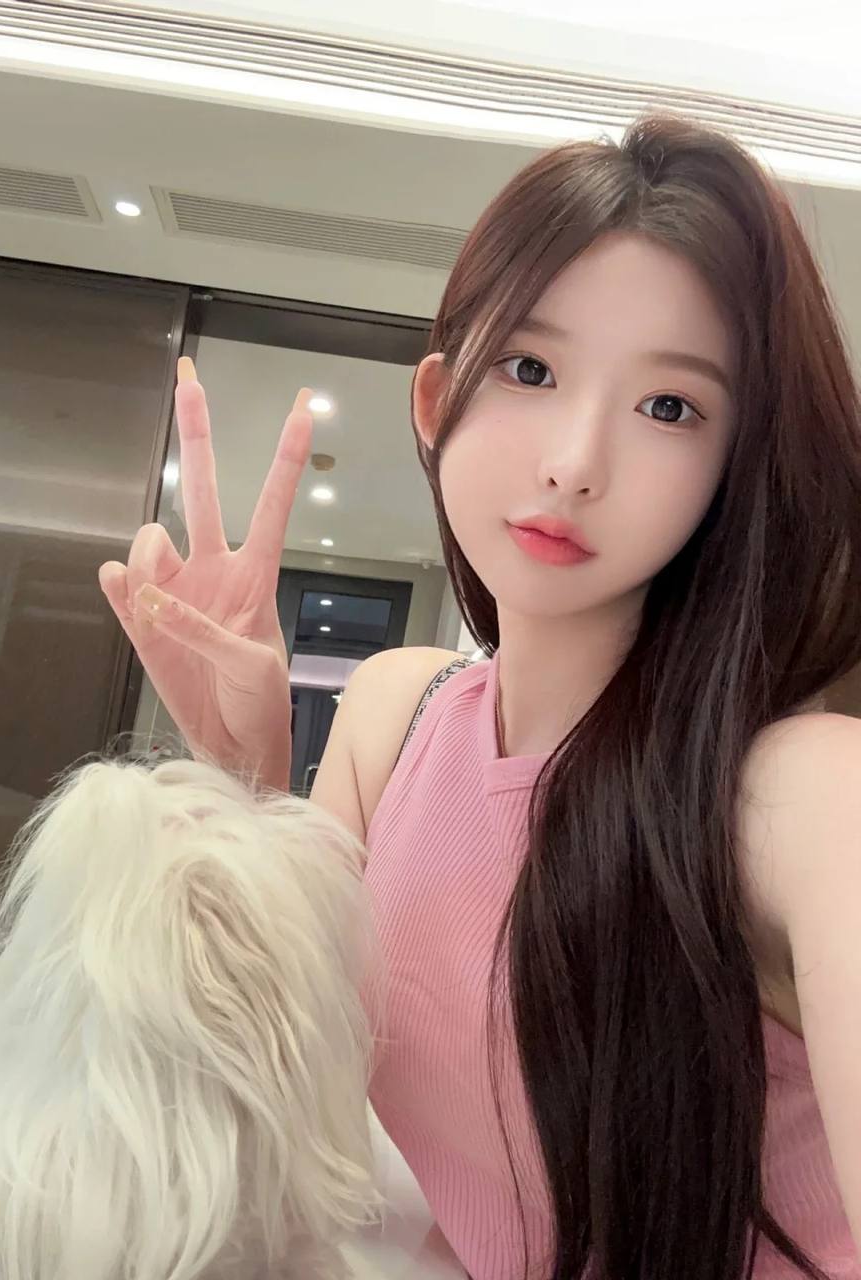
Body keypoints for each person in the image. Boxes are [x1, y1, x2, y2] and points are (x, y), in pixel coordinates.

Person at [99, 115, 861, 1280]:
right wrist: (242, 780)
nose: (575, 461)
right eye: (531, 369)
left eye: (671, 406)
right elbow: (275, 1090)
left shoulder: (802, 792)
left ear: (732, 467)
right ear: (435, 399)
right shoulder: (395, 713)